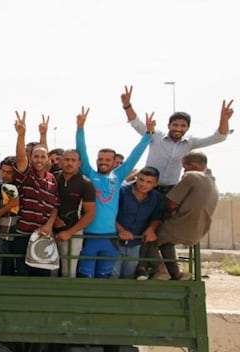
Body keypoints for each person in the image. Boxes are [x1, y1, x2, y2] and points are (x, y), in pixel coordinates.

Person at [75, 106, 152, 278]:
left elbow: (135, 156)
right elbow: (81, 151)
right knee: (86, 275)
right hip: (88, 235)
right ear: (96, 160)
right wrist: (80, 128)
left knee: (105, 276)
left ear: (114, 162)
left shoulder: (118, 176)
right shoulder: (89, 173)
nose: (103, 162)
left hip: (110, 237)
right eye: (100, 159)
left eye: (107, 160)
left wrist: (148, 135)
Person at [120, 85, 233, 191]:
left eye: (183, 126)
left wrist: (224, 119)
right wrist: (127, 105)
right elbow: (136, 123)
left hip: (171, 189)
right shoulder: (155, 135)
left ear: (188, 128)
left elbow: (219, 137)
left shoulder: (190, 142)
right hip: (149, 187)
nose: (178, 128)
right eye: (175, 125)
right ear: (169, 125)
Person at [153, 151, 219, 280]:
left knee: (148, 240)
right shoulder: (211, 180)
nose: (183, 170)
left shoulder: (191, 176)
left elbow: (172, 203)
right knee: (166, 243)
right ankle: (176, 274)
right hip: (198, 231)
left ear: (193, 165)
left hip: (180, 226)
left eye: (184, 167)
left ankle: (161, 271)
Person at [11, 111, 59, 277]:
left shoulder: (52, 179)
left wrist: (49, 225)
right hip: (24, 234)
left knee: (42, 276)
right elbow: (20, 158)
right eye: (35, 157)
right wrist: (21, 135)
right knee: (22, 275)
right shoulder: (26, 175)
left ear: (48, 160)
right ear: (31, 159)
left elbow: (55, 206)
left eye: (42, 157)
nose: (39, 159)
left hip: (43, 236)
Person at [114, 166, 164, 279]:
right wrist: (121, 230)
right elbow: (108, 215)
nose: (143, 184)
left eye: (149, 182)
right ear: (136, 178)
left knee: (129, 276)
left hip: (135, 244)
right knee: (113, 276)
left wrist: (151, 229)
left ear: (155, 184)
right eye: (141, 180)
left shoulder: (157, 198)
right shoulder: (121, 191)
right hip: (114, 241)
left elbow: (157, 217)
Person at [53, 150, 96, 277]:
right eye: (66, 160)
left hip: (73, 232)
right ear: (61, 161)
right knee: (50, 269)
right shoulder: (52, 178)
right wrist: (52, 221)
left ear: (79, 163)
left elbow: (90, 214)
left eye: (73, 160)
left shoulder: (86, 184)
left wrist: (69, 232)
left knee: (69, 271)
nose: (69, 163)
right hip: (49, 229)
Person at [0, 156, 20, 275]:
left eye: (9, 172)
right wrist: (9, 205)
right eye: (3, 171)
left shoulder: (23, 188)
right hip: (0, 235)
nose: (4, 175)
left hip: (19, 236)